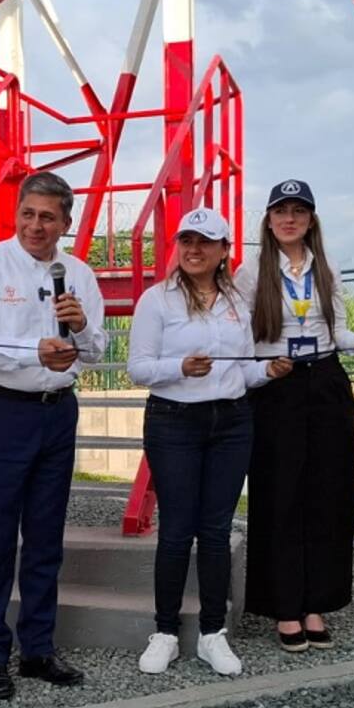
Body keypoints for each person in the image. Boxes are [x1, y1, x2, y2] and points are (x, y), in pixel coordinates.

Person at [0, 170, 107, 700]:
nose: (35, 226)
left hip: (57, 412)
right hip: (2, 411)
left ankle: (38, 648)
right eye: (27, 214)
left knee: (46, 537)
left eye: (47, 217)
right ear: (16, 213)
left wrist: (82, 326)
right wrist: (33, 351)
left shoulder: (79, 275)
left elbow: (98, 351)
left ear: (66, 222)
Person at [235, 180, 354, 652]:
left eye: (299, 211)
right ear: (269, 220)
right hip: (277, 388)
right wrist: (263, 370)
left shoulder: (326, 268)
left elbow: (338, 331)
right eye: (281, 211)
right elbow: (244, 340)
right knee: (279, 495)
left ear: (311, 220)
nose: (290, 219)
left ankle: (316, 602)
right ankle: (284, 606)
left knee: (328, 494)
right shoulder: (251, 272)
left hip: (325, 382)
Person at [128, 208, 293, 676]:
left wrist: (268, 370)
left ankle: (212, 633)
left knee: (216, 531)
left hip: (232, 420)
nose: (194, 250)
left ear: (224, 251)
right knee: (178, 530)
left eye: (205, 242)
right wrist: (179, 368)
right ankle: (164, 631)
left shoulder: (237, 302)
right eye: (187, 241)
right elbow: (138, 369)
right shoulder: (156, 300)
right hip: (173, 420)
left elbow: (241, 368)